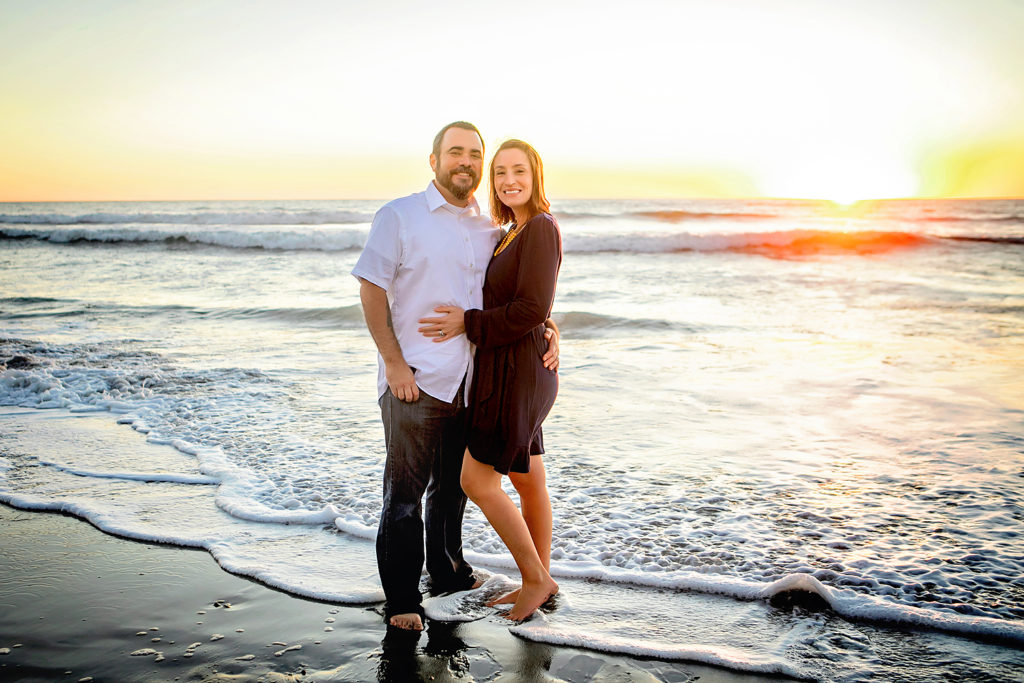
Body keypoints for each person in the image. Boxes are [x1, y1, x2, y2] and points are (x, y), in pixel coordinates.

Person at [352, 123, 559, 631]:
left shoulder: (489, 225)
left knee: (451, 493)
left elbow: (520, 293)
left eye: (474, 154)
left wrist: (550, 325)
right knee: (404, 496)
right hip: (417, 380)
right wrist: (394, 363)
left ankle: (447, 574)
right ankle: (402, 600)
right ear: (434, 160)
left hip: (473, 384)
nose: (464, 162)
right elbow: (371, 289)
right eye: (455, 153)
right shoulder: (400, 215)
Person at [417, 139, 562, 621]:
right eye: (500, 172)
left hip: (516, 374)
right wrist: (547, 325)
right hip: (515, 367)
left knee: (475, 480)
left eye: (518, 170)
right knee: (527, 479)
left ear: (535, 174)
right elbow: (534, 303)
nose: (508, 180)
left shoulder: (539, 227)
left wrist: (469, 322)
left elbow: (530, 307)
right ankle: (540, 579)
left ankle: (536, 580)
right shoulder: (510, 232)